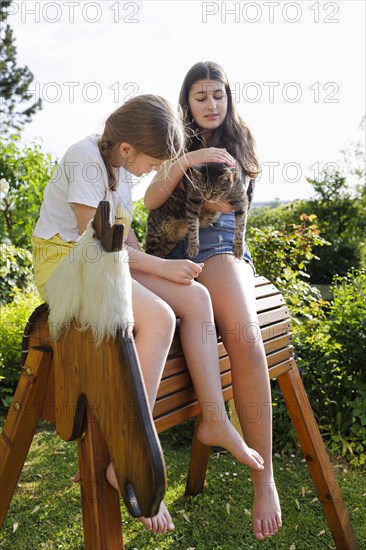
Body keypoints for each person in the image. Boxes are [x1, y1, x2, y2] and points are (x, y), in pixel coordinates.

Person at [32, 94, 264, 535]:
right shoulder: (85, 158)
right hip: (66, 266)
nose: (153, 171)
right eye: (153, 162)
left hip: (103, 260)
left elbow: (126, 240)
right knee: (159, 316)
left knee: (194, 298)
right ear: (126, 149)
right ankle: (129, 453)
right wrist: (161, 268)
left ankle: (214, 419)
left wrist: (167, 271)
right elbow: (98, 241)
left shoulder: (120, 170)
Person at [144, 63, 282, 540]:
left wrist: (241, 261)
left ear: (228, 98)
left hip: (219, 250)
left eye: (218, 95)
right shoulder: (174, 140)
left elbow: (239, 212)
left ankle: (263, 479)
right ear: (187, 101)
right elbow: (150, 199)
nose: (211, 104)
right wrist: (183, 161)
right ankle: (197, 428)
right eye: (200, 96)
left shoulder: (240, 139)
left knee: (247, 339)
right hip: (169, 253)